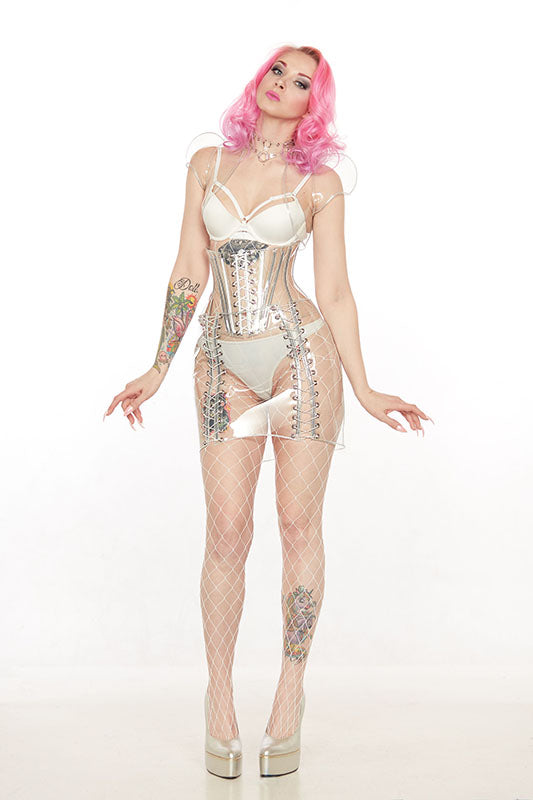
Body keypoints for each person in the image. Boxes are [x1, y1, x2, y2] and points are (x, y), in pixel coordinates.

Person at [104, 44, 433, 779]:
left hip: (301, 360)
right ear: (258, 80)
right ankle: (219, 698)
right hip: (220, 364)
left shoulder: (320, 184)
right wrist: (157, 367)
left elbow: (335, 290)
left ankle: (290, 692)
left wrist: (366, 387)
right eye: (276, 72)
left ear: (315, 102)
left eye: (301, 81)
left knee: (295, 525)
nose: (283, 84)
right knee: (227, 530)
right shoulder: (206, 165)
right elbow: (188, 270)